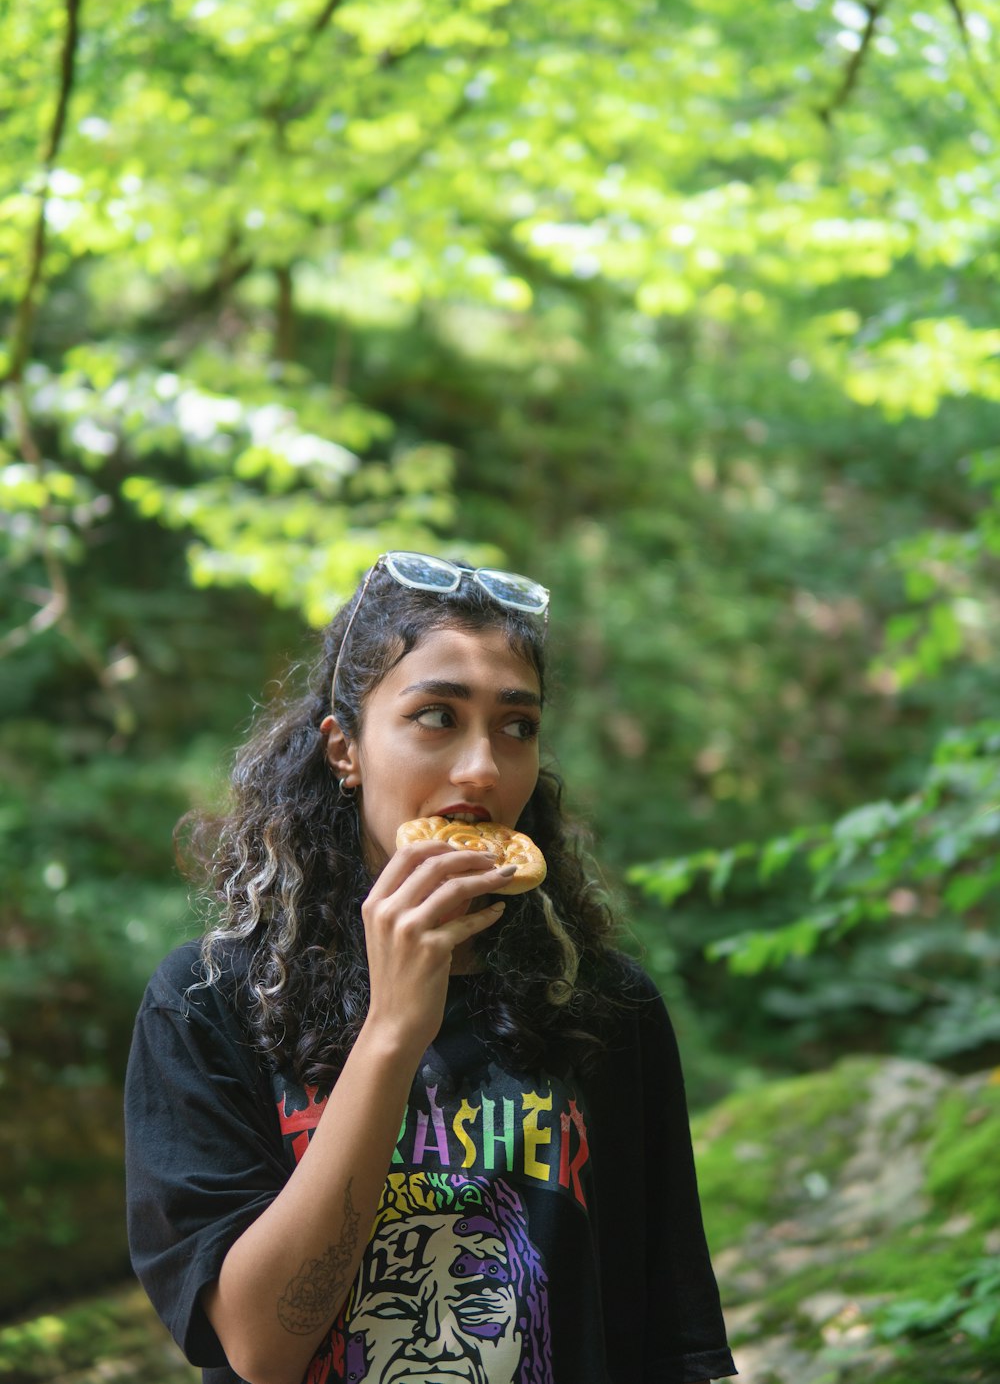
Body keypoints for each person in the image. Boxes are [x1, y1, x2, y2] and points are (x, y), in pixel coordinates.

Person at [125, 550, 737, 1384]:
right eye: (436, 717)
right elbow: (262, 1348)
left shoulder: (605, 1005)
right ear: (344, 751)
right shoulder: (207, 1002)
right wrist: (392, 1032)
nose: (483, 766)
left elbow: (673, 1346)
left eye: (516, 726)